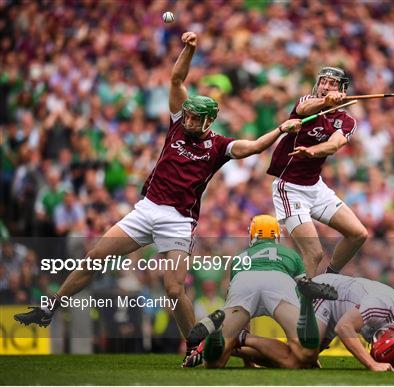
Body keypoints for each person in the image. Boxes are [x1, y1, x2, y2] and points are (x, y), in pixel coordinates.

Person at [13, 32, 302, 363]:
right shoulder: (177, 125)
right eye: (188, 115)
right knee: (96, 257)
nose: (189, 119)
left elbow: (252, 147)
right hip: (146, 209)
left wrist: (280, 130)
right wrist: (189, 48)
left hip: (179, 221)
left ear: (209, 120)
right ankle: (51, 306)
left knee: (174, 289)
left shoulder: (219, 146)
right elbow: (177, 78)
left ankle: (196, 348)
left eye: (196, 117)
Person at [183, 214, 337, 368]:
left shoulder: (239, 257)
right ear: (277, 235)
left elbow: (244, 321)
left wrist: (248, 362)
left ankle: (223, 337)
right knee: (304, 355)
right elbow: (303, 292)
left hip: (244, 280)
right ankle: (243, 339)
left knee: (214, 364)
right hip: (279, 281)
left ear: (252, 235)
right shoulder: (291, 254)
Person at [267, 67, 368, 277]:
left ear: (342, 89)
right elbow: (303, 109)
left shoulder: (347, 121)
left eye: (331, 83)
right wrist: (325, 102)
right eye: (323, 82)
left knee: (358, 234)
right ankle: (304, 307)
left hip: (316, 188)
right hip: (290, 188)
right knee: (314, 254)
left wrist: (311, 151)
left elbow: (333, 146)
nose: (325, 86)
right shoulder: (308, 102)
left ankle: (330, 277)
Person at [237, 273, 394, 371]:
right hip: (327, 295)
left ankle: (231, 346)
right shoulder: (380, 304)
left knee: (301, 363)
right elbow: (344, 327)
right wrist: (372, 364)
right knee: (300, 358)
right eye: (378, 337)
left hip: (341, 306)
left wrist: (388, 363)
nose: (375, 338)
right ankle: (240, 338)